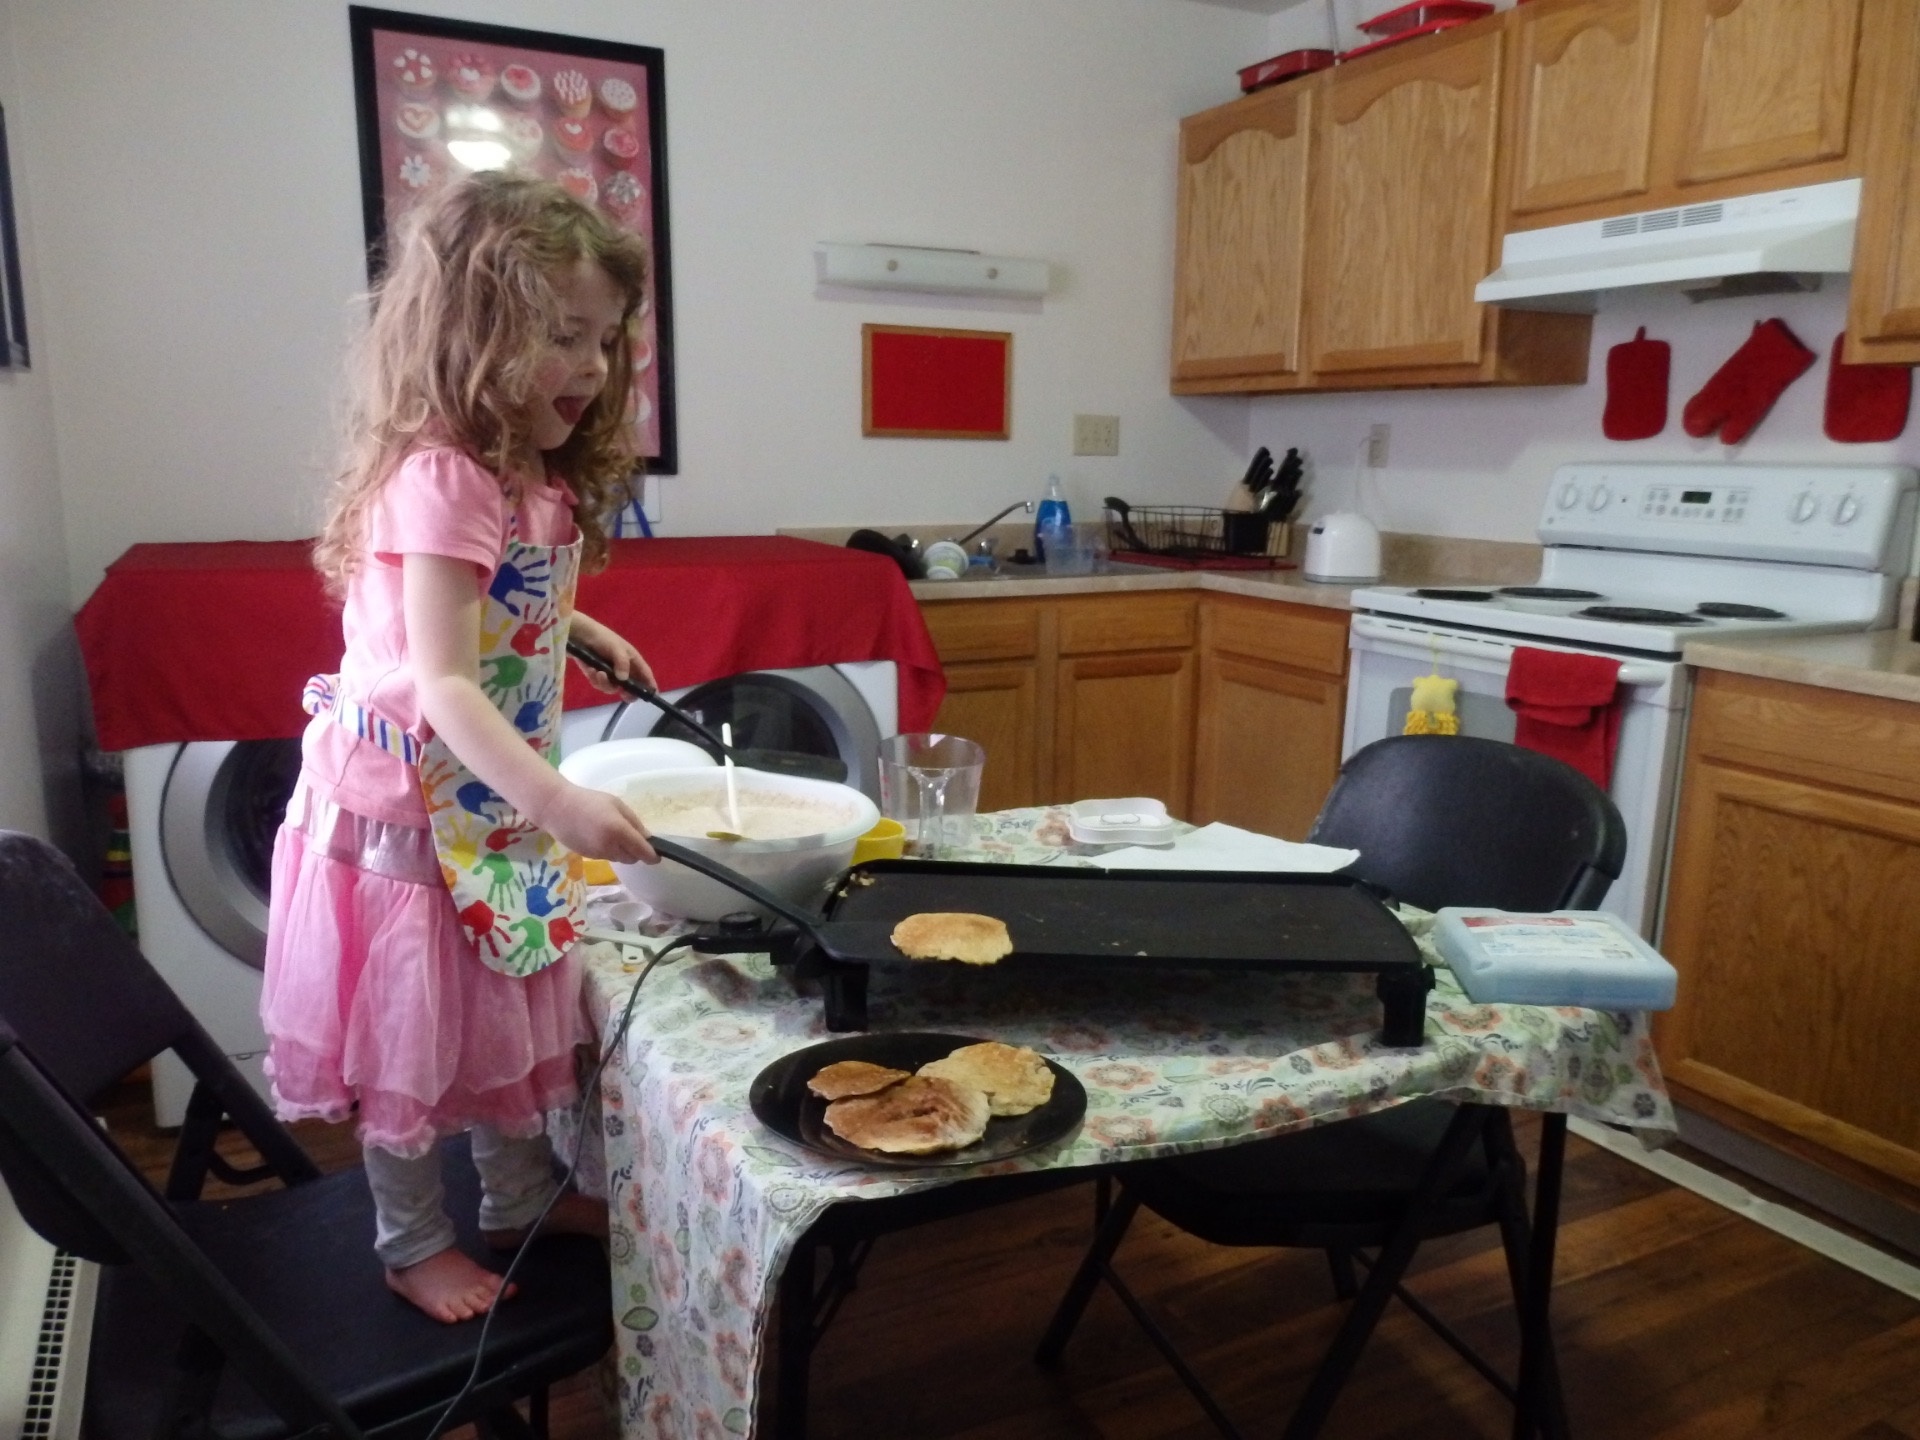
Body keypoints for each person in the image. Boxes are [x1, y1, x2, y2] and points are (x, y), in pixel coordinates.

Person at [263, 170, 659, 1324]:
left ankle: (517, 1199)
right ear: (474, 335)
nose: (590, 366)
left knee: (496, 1001)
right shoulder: (439, 475)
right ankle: (411, 1239)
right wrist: (564, 802)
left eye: (604, 338)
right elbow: (441, 677)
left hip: (478, 795)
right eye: (561, 336)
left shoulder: (511, 472)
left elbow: (483, 609)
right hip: (405, 805)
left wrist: (573, 627)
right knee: (414, 1037)